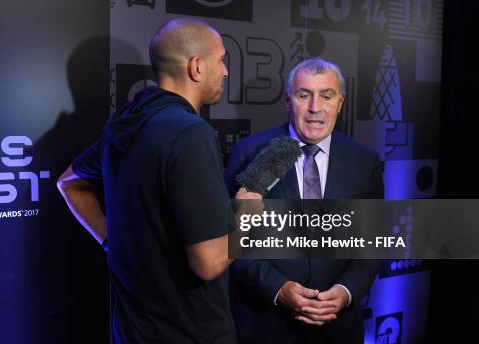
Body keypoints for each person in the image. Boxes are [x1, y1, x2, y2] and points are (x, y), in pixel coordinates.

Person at [58, 18, 260, 343]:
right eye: (221, 60)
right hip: (188, 333)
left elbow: (69, 183)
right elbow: (208, 263)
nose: (225, 71)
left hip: (130, 332)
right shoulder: (190, 133)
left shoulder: (125, 123)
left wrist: (113, 243)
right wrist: (246, 219)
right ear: (196, 67)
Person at [225, 58, 384, 344]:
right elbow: (232, 244)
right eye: (304, 95)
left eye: (327, 96)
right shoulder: (248, 153)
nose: (315, 108)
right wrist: (278, 288)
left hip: (338, 330)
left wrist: (347, 291)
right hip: (266, 328)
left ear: (340, 102)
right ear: (288, 101)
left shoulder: (364, 162)